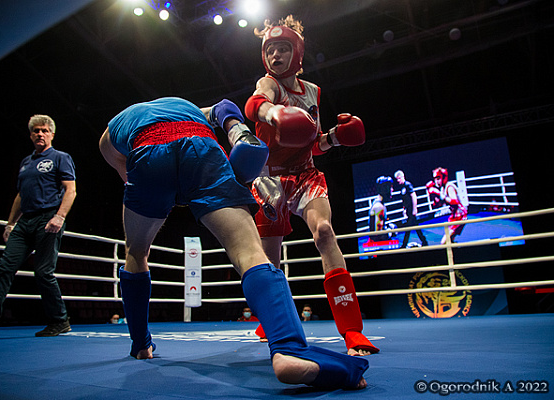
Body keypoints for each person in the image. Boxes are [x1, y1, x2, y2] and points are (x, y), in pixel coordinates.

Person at [99, 96, 368, 389]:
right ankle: (289, 350)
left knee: (136, 252)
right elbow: (225, 107)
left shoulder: (115, 130)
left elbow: (128, 173)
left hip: (148, 150)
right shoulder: (188, 108)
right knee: (249, 252)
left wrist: (159, 188)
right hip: (201, 145)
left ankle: (141, 345)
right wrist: (238, 132)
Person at [243, 16, 378, 356]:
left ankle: (352, 331)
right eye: (270, 50)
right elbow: (254, 106)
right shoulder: (269, 84)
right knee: (270, 261)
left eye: (282, 49)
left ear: (298, 53)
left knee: (325, 233)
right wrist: (274, 113)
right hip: (270, 179)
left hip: (305, 174)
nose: (275, 55)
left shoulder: (313, 92)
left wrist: (336, 137)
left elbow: (312, 142)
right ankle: (271, 319)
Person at [0, 115, 76, 340]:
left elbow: (70, 189)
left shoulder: (60, 157)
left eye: (44, 130)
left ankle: (59, 321)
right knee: (4, 269)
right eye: (36, 131)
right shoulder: (26, 162)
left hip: (48, 218)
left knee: (43, 272)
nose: (40, 134)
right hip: (24, 222)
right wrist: (10, 223)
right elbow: (20, 196)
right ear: (31, 135)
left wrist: (60, 216)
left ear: (52, 134)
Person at [426, 167, 467, 244]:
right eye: (435, 179)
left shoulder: (449, 187)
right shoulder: (443, 188)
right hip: (454, 215)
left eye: (438, 179)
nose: (437, 181)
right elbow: (439, 205)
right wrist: (434, 197)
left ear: (443, 177)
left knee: (444, 242)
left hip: (460, 215)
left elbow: (455, 202)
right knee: (450, 240)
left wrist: (439, 195)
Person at [394, 170, 428, 248]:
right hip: (408, 210)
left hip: (411, 209)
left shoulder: (408, 185)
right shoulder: (402, 187)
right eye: (397, 179)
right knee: (415, 227)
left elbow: (413, 196)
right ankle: (424, 241)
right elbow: (404, 200)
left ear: (402, 177)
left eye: (399, 178)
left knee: (408, 228)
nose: (398, 181)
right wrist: (404, 209)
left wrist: (414, 209)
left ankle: (404, 244)